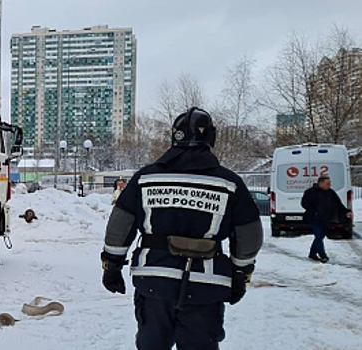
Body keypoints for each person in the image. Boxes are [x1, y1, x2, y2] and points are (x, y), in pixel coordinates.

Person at [100, 107, 263, 350]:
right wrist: (240, 274)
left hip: (154, 281)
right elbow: (248, 235)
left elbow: (119, 226)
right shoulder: (229, 183)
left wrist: (112, 265)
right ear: (210, 138)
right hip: (206, 286)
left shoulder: (146, 178)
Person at [301, 175, 352, 263]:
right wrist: (314, 211)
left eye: (329, 183)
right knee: (318, 235)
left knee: (320, 236)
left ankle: (312, 254)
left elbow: (338, 204)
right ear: (320, 183)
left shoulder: (331, 193)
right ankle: (323, 255)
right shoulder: (310, 192)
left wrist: (346, 211)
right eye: (327, 184)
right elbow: (304, 203)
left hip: (325, 218)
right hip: (313, 218)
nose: (329, 185)